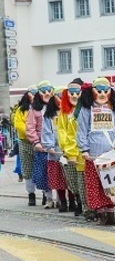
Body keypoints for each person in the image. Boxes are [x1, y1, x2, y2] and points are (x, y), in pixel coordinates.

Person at [76, 78, 115, 226]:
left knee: (113, 184)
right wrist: (84, 149)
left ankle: (111, 213)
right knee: (97, 186)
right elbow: (81, 131)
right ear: (92, 92)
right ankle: (101, 213)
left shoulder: (114, 108)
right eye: (99, 91)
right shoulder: (86, 109)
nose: (103, 94)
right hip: (93, 154)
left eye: (106, 91)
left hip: (111, 153)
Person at [56, 79, 86, 218]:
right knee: (73, 182)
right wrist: (67, 150)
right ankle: (78, 201)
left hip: (84, 152)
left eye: (77, 93)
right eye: (71, 93)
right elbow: (61, 131)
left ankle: (84, 205)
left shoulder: (86, 110)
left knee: (83, 181)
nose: (74, 96)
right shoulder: (64, 112)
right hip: (69, 152)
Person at [40, 85, 71, 213]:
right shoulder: (48, 115)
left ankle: (73, 201)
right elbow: (46, 131)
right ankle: (62, 202)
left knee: (70, 178)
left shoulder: (70, 112)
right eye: (59, 96)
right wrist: (49, 146)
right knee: (58, 179)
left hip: (68, 150)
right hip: (55, 151)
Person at [27, 81, 55, 208]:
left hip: (56, 145)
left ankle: (61, 199)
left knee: (58, 173)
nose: (47, 93)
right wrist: (36, 142)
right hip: (42, 146)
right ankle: (49, 198)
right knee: (45, 173)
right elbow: (30, 127)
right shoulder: (35, 109)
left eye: (49, 90)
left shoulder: (56, 106)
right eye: (44, 91)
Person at [14, 86, 37, 205]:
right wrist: (31, 134)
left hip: (40, 142)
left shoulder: (42, 108)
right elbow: (19, 126)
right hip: (25, 142)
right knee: (27, 169)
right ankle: (31, 194)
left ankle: (45, 194)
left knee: (42, 169)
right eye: (32, 93)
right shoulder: (21, 110)